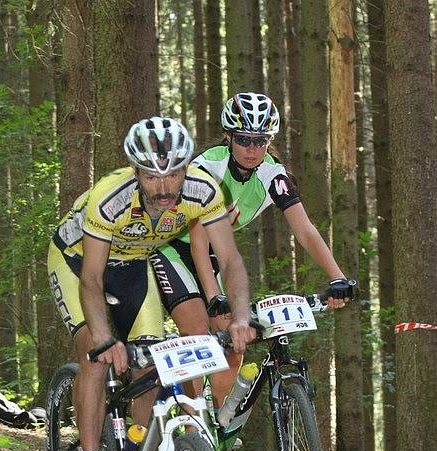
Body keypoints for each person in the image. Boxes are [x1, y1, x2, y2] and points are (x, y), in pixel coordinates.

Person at [48, 116, 256, 451]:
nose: (163, 188)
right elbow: (92, 278)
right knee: (95, 355)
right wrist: (104, 337)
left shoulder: (204, 190)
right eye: (151, 177)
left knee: (151, 361)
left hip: (132, 265)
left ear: (185, 169)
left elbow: (229, 259)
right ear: (135, 172)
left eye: (173, 176)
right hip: (77, 262)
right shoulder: (111, 197)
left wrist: (240, 316)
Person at [150, 92, 355, 406]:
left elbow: (305, 230)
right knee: (198, 334)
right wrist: (214, 295)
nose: (252, 149)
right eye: (244, 139)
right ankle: (191, 431)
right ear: (229, 136)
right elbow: (197, 243)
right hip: (171, 247)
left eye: (260, 141)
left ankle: (215, 437)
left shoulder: (273, 175)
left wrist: (338, 278)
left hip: (215, 254)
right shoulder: (207, 168)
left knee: (233, 346)